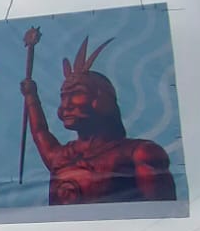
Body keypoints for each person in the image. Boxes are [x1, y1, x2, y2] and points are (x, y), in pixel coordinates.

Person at [20, 35, 175, 206]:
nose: (66, 105)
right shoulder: (61, 156)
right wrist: (31, 96)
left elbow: (162, 210)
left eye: (77, 93)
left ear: (101, 99)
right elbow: (40, 132)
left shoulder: (140, 153)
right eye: (64, 96)